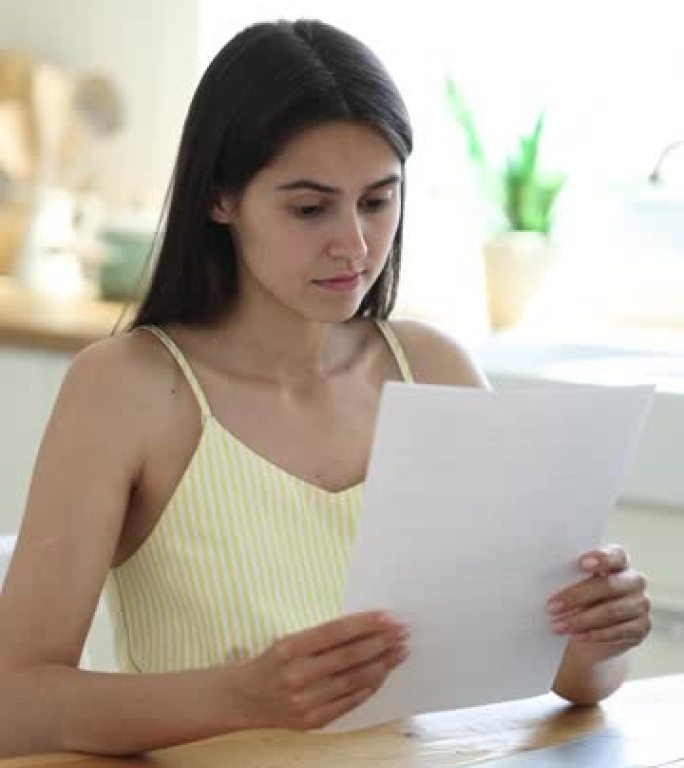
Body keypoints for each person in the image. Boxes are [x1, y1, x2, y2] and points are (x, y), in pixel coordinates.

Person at [0, 19, 651, 758]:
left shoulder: (432, 370)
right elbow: (14, 702)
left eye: (378, 201)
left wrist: (601, 637)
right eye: (310, 208)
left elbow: (566, 675)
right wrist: (241, 695)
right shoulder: (128, 390)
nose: (355, 244)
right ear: (221, 199)